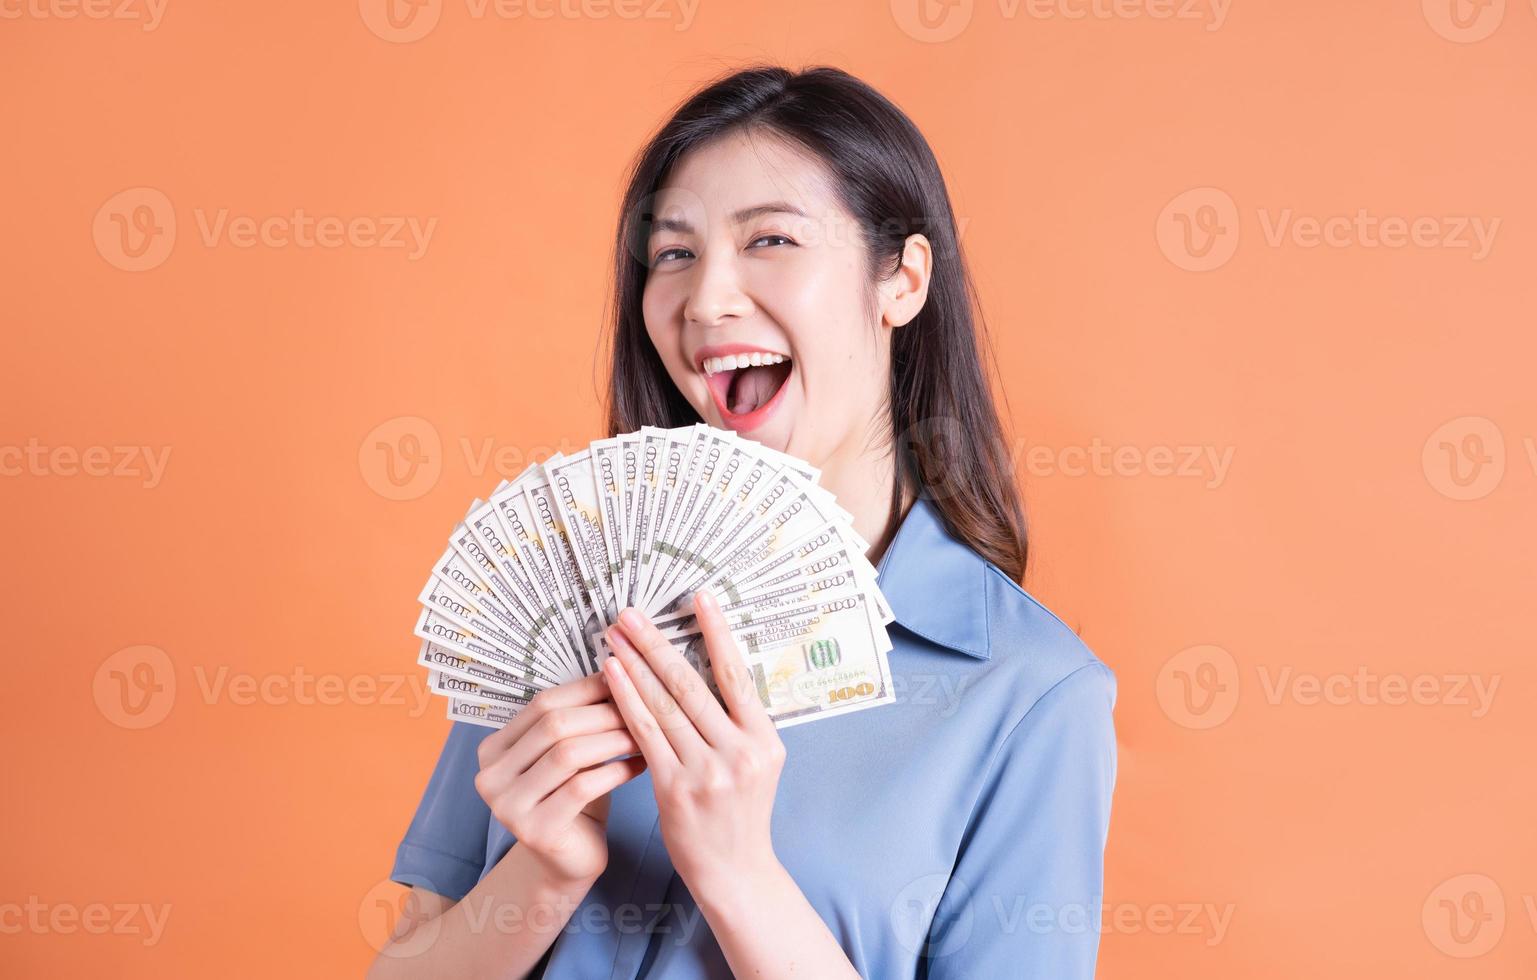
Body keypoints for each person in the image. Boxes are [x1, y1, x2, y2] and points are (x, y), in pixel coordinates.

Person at [369, 64, 1118, 979]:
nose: (706, 300)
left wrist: (739, 875)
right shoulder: (565, 596)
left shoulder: (1028, 693)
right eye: (674, 253)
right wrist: (546, 873)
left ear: (903, 280)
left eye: (769, 239)